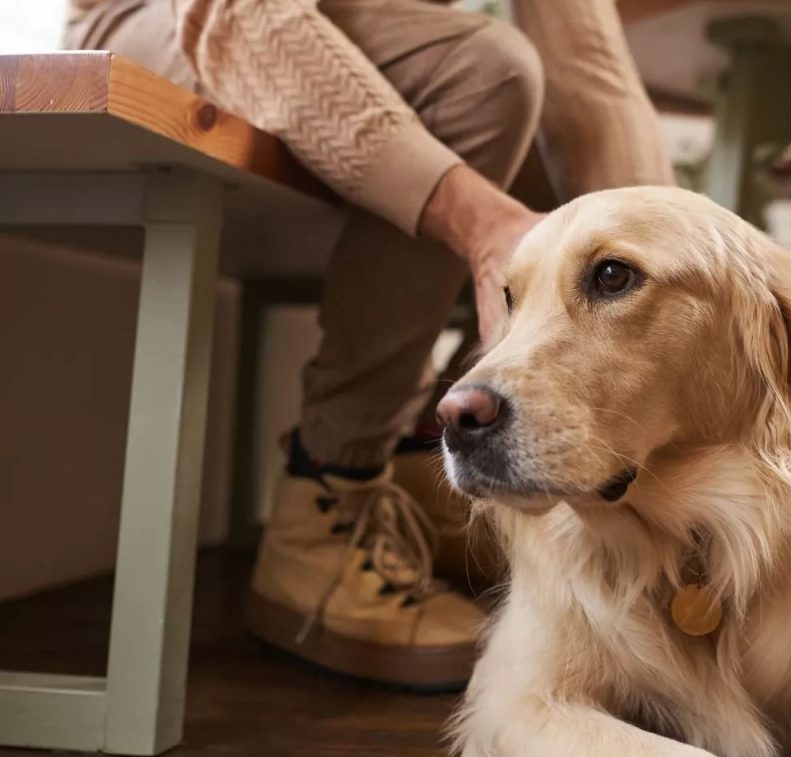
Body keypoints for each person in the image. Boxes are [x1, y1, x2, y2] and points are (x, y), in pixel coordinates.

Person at [64, 0, 673, 691]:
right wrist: (482, 226)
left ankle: (427, 460)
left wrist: (655, 239)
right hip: (166, 21)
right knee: (485, 75)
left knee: (580, 168)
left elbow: (587, 67)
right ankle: (329, 491)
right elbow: (230, 15)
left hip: (356, 40)